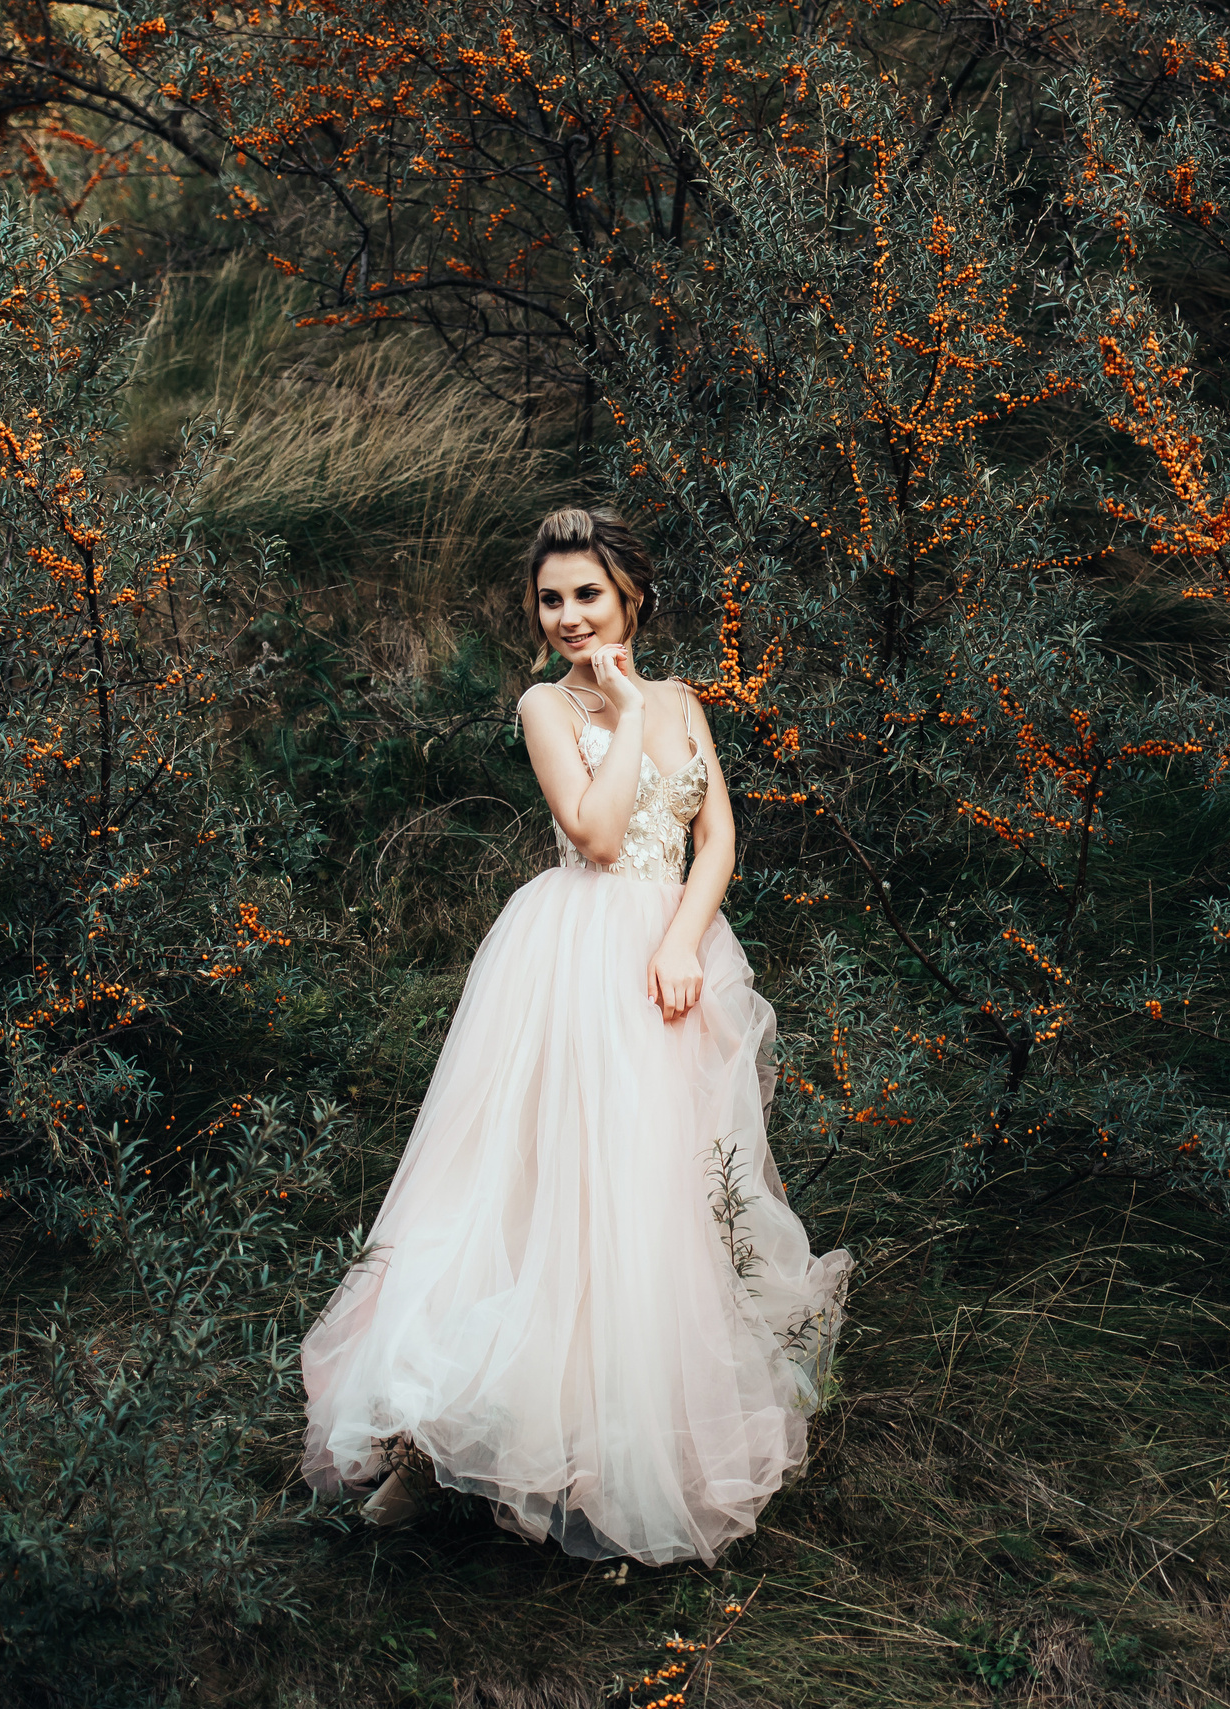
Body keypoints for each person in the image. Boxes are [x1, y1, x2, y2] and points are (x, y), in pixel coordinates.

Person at [297, 505, 851, 1566]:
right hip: (572, 954)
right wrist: (630, 707)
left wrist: (685, 937)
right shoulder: (545, 705)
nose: (567, 616)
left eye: (587, 594)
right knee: (535, 1186)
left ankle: (612, 1436)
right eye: (550, 598)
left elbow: (718, 834)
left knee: (658, 1195)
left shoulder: (688, 699)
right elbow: (596, 832)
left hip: (670, 957)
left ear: (629, 593)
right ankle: (437, 1432)